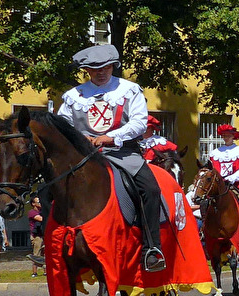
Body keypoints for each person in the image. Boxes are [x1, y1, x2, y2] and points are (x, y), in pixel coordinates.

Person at [56, 44, 165, 271]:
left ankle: (152, 248)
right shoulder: (73, 96)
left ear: (113, 66)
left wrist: (111, 137)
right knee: (50, 188)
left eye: (106, 67)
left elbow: (139, 123)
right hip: (84, 155)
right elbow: (62, 124)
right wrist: (81, 137)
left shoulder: (129, 90)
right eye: (95, 69)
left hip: (122, 152)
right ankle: (54, 246)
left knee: (150, 189)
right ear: (87, 70)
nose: (101, 72)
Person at [206, 124, 239, 210]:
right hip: (218, 184)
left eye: (228, 136)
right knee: (205, 199)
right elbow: (212, 170)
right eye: (224, 136)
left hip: (237, 183)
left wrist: (230, 179)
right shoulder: (215, 153)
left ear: (233, 136)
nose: (226, 138)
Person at [28, 195, 45, 278]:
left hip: (43, 234)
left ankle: (46, 272)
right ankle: (34, 272)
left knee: (44, 254)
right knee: (36, 254)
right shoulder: (32, 212)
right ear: (33, 204)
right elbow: (41, 219)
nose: (40, 203)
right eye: (38, 202)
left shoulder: (43, 211)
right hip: (36, 236)